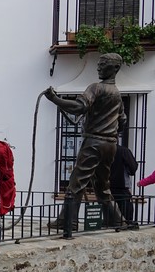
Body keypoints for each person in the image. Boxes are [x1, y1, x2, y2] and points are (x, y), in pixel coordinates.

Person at [44, 53, 127, 229]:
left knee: (77, 181)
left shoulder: (96, 88)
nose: (98, 66)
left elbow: (79, 107)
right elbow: (123, 122)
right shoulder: (117, 94)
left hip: (94, 142)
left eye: (103, 63)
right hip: (110, 144)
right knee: (102, 185)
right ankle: (117, 220)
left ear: (114, 68)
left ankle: (68, 221)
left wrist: (55, 99)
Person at [110, 142, 138, 226]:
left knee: (110, 208)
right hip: (121, 184)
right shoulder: (123, 151)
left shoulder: (102, 151)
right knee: (126, 210)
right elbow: (132, 166)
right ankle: (126, 224)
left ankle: (113, 223)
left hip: (106, 185)